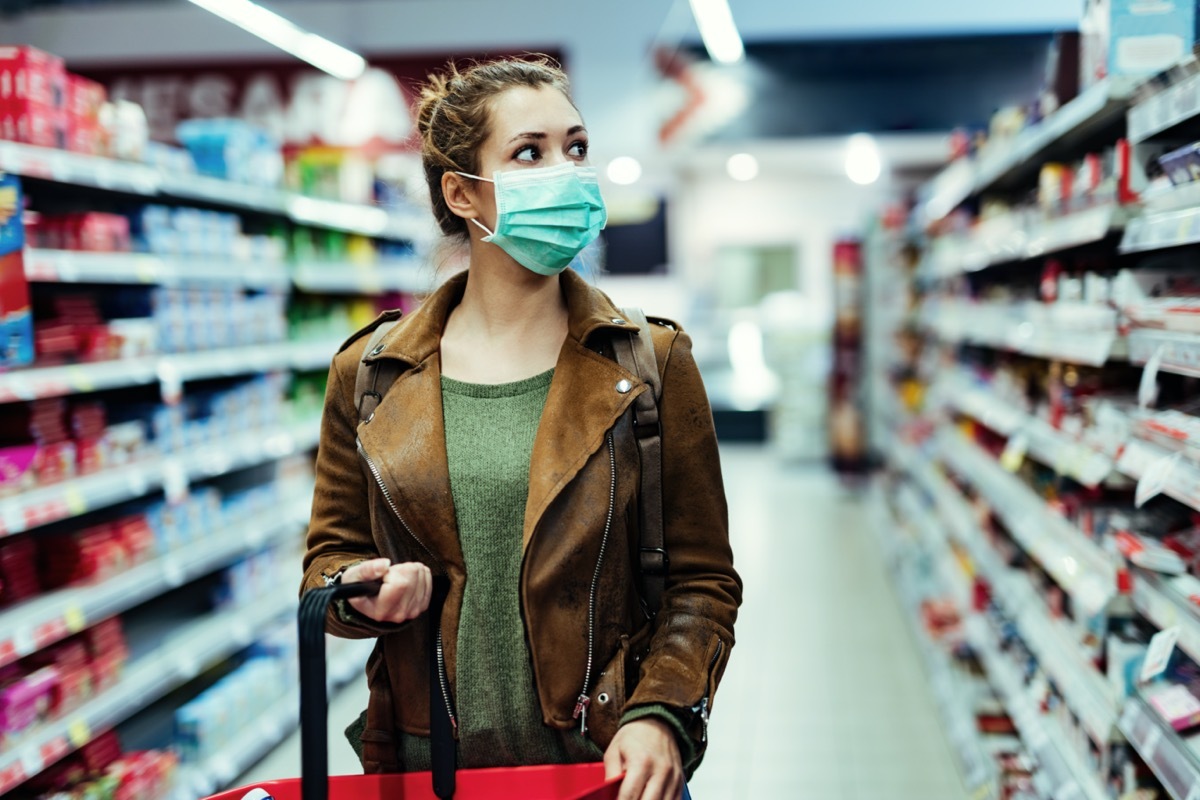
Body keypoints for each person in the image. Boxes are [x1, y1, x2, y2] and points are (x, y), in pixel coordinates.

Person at [300, 56, 742, 800]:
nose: (565, 172)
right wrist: (360, 592)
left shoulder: (650, 363)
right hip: (429, 769)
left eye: (576, 147)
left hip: (602, 766)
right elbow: (327, 562)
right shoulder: (372, 375)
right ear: (463, 193)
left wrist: (662, 713)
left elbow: (703, 583)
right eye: (529, 153)